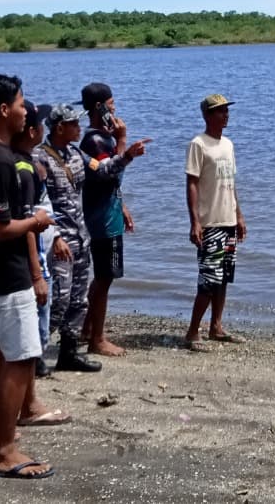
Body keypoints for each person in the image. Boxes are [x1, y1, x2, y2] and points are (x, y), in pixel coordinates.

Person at [0, 73, 56, 479]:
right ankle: (5, 450)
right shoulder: (0, 160)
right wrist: (34, 221)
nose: (25, 111)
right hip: (5, 275)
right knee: (21, 359)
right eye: (21, 104)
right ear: (4, 110)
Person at [34, 103, 140, 371]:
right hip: (58, 240)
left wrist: (126, 155)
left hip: (81, 236)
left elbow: (102, 170)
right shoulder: (40, 159)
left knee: (78, 300)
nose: (79, 127)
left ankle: (68, 354)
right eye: (73, 124)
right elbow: (36, 203)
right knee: (58, 299)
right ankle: (32, 355)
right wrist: (54, 236)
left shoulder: (75, 152)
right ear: (59, 128)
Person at [8, 101, 72, 423]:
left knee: (27, 338)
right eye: (41, 124)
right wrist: (37, 274)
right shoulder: (23, 167)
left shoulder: (25, 163)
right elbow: (28, 222)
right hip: (27, 264)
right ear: (32, 130)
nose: (45, 128)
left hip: (32, 257)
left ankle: (22, 403)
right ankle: (26, 406)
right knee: (28, 339)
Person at [78, 82, 151, 357]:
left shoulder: (102, 138)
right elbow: (108, 173)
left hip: (109, 212)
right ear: (99, 108)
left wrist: (122, 206)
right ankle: (97, 338)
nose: (115, 109)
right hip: (100, 219)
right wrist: (124, 144)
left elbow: (110, 184)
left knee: (104, 276)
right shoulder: (95, 140)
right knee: (105, 276)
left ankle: (87, 329)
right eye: (111, 104)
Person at [183, 93, 248, 352]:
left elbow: (231, 184)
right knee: (208, 280)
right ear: (208, 115)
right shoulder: (199, 144)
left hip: (228, 221)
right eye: (220, 111)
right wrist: (195, 222)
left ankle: (216, 327)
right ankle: (192, 332)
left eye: (226, 110)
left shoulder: (228, 145)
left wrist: (239, 216)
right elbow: (191, 183)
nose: (226, 114)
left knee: (223, 278)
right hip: (209, 223)